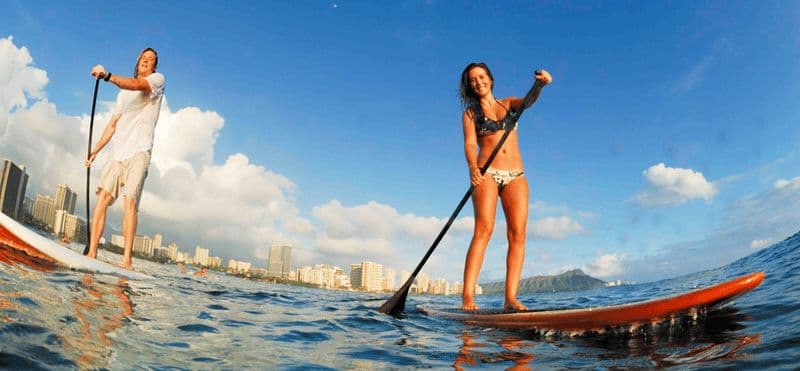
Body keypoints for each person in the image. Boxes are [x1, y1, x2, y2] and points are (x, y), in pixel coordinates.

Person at [459, 63, 551, 311]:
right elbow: (470, 144)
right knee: (483, 230)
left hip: (516, 176)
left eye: (481, 77)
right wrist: (472, 168)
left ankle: (510, 299)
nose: (478, 82)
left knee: (518, 235)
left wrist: (539, 84)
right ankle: (468, 296)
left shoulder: (508, 104)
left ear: (490, 78)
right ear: (469, 85)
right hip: (486, 173)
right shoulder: (470, 114)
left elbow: (528, 102)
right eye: (472, 80)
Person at [84, 48, 165, 270]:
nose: (146, 61)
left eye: (151, 60)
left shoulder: (157, 81)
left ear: (154, 67)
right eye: (143, 58)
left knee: (130, 200)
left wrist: (108, 76)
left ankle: (126, 261)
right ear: (138, 62)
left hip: (140, 152)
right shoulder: (122, 95)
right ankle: (91, 254)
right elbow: (113, 125)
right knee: (103, 199)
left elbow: (138, 86)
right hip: (118, 154)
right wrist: (95, 151)